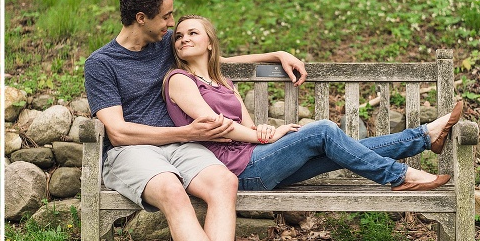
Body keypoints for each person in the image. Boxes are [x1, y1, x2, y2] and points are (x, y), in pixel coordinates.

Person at [84, 0, 307, 241]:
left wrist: (277, 55)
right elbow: (118, 132)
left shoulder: (166, 44)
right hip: (132, 151)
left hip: (181, 148)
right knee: (172, 191)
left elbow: (216, 61)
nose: (170, 24)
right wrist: (187, 133)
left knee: (225, 183)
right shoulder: (101, 64)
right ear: (141, 17)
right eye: (166, 16)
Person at [163, 15, 464, 193]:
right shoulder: (179, 79)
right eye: (178, 36)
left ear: (210, 42)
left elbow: (247, 126)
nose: (183, 39)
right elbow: (216, 127)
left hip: (257, 158)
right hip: (234, 172)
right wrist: (264, 136)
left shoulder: (223, 80)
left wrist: (264, 129)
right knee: (322, 131)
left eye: (193, 33)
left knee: (340, 151)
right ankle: (400, 176)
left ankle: (424, 137)